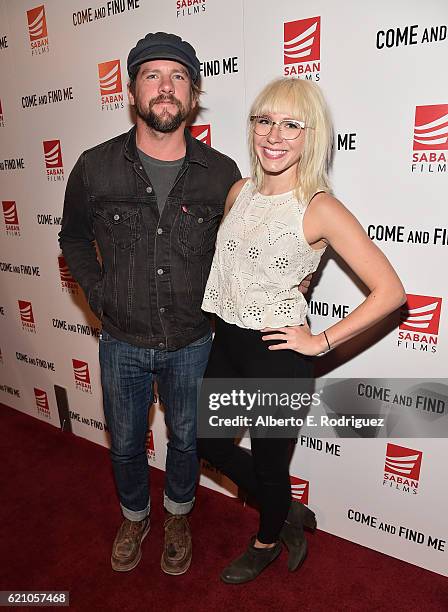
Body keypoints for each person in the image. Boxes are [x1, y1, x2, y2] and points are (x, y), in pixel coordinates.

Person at [198, 77, 406, 584]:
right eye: (265, 121)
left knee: (270, 467)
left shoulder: (319, 206)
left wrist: (320, 340)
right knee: (209, 445)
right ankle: (284, 507)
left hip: (277, 359)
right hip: (226, 343)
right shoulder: (239, 190)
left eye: (292, 124)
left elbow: (391, 292)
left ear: (312, 136)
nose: (275, 135)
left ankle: (268, 538)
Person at [58, 32, 243, 576]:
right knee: (124, 445)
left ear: (194, 93)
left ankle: (179, 514)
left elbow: (243, 251)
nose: (166, 87)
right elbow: (72, 238)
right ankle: (135, 515)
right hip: (122, 339)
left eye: (178, 76)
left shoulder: (223, 174)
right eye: (152, 75)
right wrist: (98, 291)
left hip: (194, 340)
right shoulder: (94, 167)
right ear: (132, 90)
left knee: (186, 441)